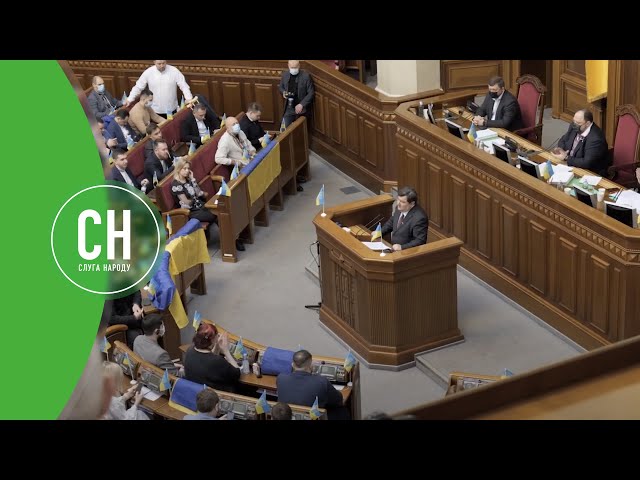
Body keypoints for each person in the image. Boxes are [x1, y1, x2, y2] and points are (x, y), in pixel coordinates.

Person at [276, 349, 348, 420]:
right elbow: (338, 400)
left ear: (292, 364)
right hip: (311, 417)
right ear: (311, 366)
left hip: (288, 417)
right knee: (342, 410)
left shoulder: (281, 378)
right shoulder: (322, 382)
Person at [183, 322, 241, 393]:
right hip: (215, 396)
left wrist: (217, 345)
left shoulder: (190, 350)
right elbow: (237, 373)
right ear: (212, 340)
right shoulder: (217, 361)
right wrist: (226, 351)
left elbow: (209, 357)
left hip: (196, 392)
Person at [551, 108, 609, 176]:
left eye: (578, 123)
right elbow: (563, 140)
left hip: (587, 172)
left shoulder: (596, 139)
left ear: (587, 123)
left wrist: (566, 157)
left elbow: (587, 163)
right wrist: (561, 149)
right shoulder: (574, 125)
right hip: (568, 164)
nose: (574, 124)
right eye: (574, 121)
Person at [127, 60, 193, 117]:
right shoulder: (148, 72)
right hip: (154, 110)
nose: (162, 66)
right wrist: (130, 99)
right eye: (159, 64)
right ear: (154, 62)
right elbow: (138, 87)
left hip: (171, 109)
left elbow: (184, 86)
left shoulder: (174, 71)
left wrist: (189, 99)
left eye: (163, 63)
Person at [170, 158, 216, 228]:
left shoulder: (188, 179)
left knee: (216, 210)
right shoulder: (176, 184)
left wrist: (193, 179)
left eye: (188, 168)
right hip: (191, 211)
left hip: (200, 206)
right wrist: (194, 199)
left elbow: (198, 193)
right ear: (178, 169)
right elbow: (186, 202)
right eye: (184, 168)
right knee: (213, 214)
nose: (187, 171)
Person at [380, 186, 428, 251]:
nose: (398, 203)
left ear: (412, 203)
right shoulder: (399, 207)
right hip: (394, 249)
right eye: (398, 199)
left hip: (407, 253)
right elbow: (392, 221)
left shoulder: (419, 218)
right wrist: (380, 232)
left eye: (403, 202)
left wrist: (402, 247)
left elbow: (419, 241)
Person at [278, 60, 315, 128]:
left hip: (301, 109)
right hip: (289, 107)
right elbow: (281, 87)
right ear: (288, 66)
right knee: (284, 128)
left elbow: (311, 92)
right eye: (292, 67)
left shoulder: (305, 76)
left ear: (299, 66)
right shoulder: (285, 75)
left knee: (300, 129)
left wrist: (301, 104)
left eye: (295, 67)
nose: (294, 69)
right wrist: (283, 92)